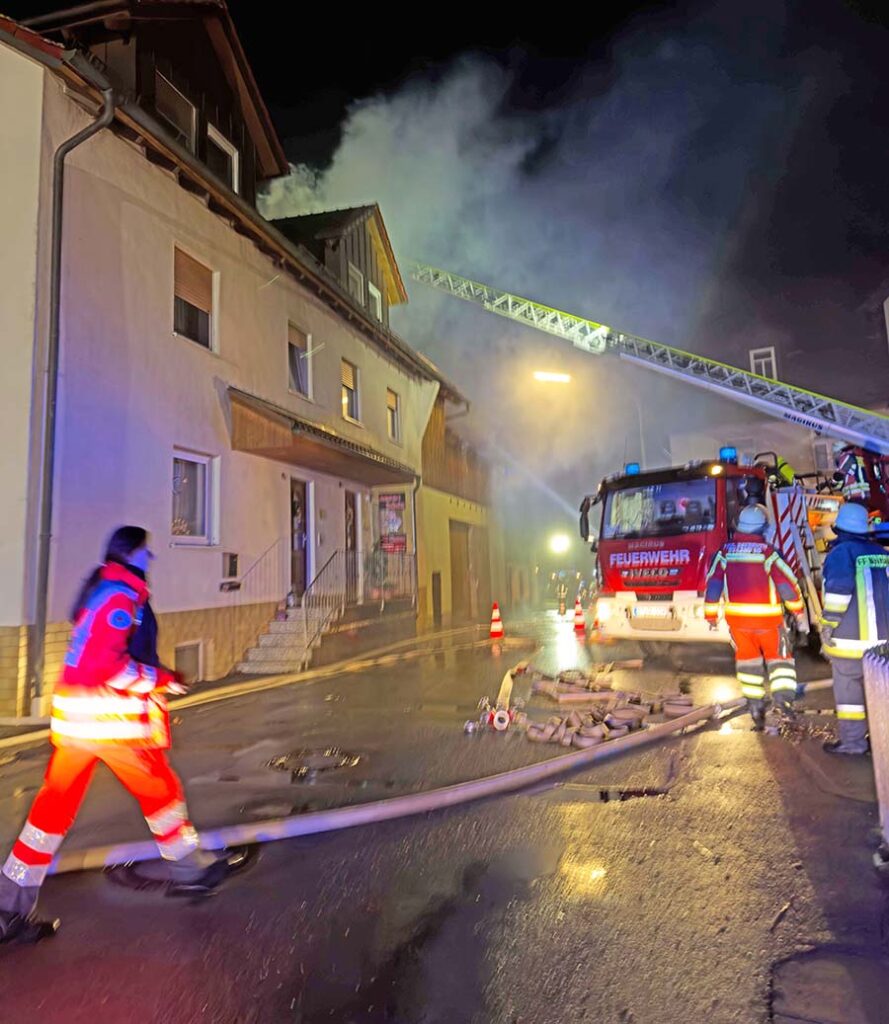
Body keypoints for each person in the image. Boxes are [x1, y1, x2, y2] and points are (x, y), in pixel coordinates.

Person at [0, 527, 234, 946]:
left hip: (78, 725)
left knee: (49, 816)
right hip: (109, 722)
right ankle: (191, 870)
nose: (152, 559)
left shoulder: (104, 589)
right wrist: (162, 679)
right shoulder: (121, 596)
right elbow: (107, 666)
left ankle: (7, 909)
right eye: (147, 552)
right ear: (131, 553)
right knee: (160, 792)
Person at [704, 505, 806, 729]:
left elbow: (713, 585)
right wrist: (798, 612)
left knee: (748, 665)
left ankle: (755, 707)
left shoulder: (725, 552)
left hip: (738, 624)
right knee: (780, 664)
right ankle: (784, 705)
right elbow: (787, 586)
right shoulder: (768, 553)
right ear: (763, 527)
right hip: (769, 623)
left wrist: (711, 615)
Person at [819, 502, 889, 756]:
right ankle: (882, 742)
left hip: (851, 640)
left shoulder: (841, 554)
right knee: (882, 693)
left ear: (840, 529)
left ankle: (854, 743)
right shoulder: (881, 552)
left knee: (850, 693)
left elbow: (838, 592)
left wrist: (828, 625)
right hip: (882, 642)